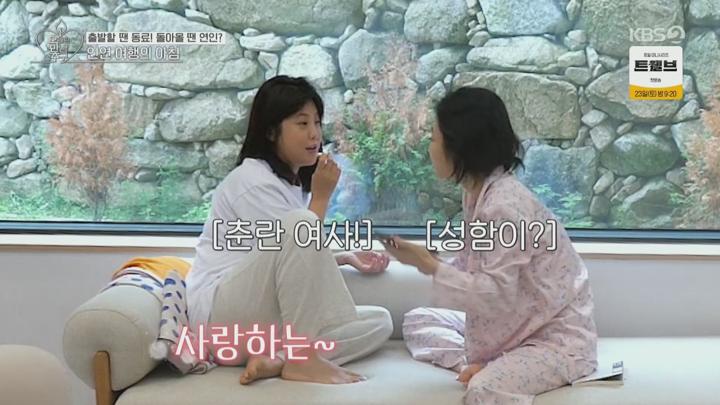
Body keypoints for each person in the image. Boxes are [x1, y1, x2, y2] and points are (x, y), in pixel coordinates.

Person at [380, 87, 598, 404]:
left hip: (553, 338)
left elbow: (494, 294)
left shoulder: (504, 207)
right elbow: (476, 266)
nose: (429, 148)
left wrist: (429, 266)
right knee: (418, 320)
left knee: (482, 391)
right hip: (515, 322)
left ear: (459, 147)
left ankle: (489, 369)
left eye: (434, 138)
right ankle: (484, 364)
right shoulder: (477, 192)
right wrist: (427, 260)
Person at [186, 75, 393, 385]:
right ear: (271, 131)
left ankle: (279, 358)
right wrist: (321, 198)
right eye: (302, 123)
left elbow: (289, 260)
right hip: (222, 318)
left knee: (379, 321)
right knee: (301, 222)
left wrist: (345, 257)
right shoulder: (251, 182)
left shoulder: (288, 183)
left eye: (317, 122)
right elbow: (298, 240)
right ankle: (300, 358)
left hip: (255, 316)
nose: (315, 134)